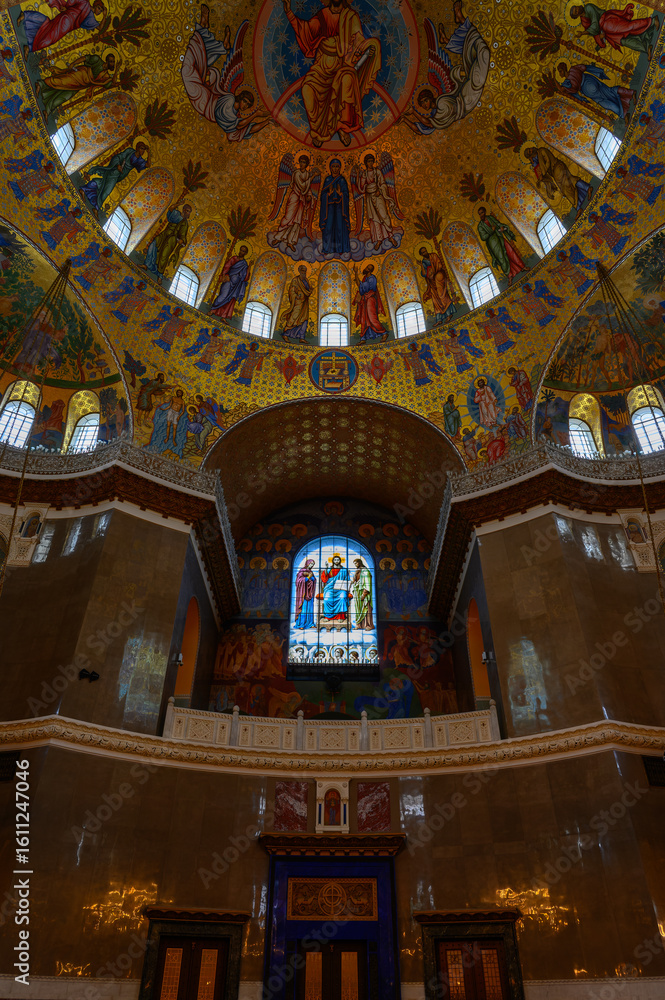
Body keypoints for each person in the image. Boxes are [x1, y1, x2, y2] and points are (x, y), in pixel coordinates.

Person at [282, 0, 381, 147]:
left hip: (343, 64)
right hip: (321, 66)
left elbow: (358, 39)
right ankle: (317, 131)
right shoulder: (322, 15)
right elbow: (306, 31)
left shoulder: (350, 16)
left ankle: (342, 127)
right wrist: (289, 13)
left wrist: (368, 47)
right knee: (307, 89)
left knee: (347, 80)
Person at [181, 5, 272, 142]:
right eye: (245, 102)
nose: (245, 106)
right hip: (205, 100)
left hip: (205, 105)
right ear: (240, 97)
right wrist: (257, 114)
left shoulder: (235, 114)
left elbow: (249, 128)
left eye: (247, 105)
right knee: (187, 71)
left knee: (197, 68)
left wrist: (267, 121)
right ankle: (204, 32)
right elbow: (240, 124)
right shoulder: (229, 101)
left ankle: (209, 36)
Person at [400, 4, 489, 134]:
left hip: (465, 96)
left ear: (431, 97)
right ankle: (457, 30)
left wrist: (412, 113)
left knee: (478, 56)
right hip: (467, 100)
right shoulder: (439, 110)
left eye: (425, 101)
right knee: (482, 55)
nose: (425, 105)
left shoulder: (441, 103)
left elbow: (427, 123)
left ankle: (457, 28)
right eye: (423, 103)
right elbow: (423, 127)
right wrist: (408, 116)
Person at [36, 51, 117, 118]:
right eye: (111, 61)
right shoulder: (97, 60)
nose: (112, 63)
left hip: (81, 85)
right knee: (61, 81)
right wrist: (73, 64)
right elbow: (85, 58)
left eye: (113, 62)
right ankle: (41, 84)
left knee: (65, 96)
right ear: (107, 60)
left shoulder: (106, 76)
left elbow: (111, 84)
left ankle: (47, 110)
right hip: (79, 74)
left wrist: (116, 71)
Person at [80, 142, 149, 217]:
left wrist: (149, 153)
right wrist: (118, 165)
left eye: (144, 150)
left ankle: (84, 189)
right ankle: (96, 208)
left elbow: (147, 165)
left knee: (102, 183)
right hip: (115, 171)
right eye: (142, 148)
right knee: (107, 190)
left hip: (121, 175)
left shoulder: (139, 160)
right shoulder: (130, 151)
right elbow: (118, 157)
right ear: (137, 148)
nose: (143, 151)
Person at [19, 0, 106, 57]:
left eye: (101, 11)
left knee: (48, 27)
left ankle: (26, 16)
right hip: (66, 22)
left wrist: (104, 16)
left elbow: (100, 28)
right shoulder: (86, 4)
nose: (99, 12)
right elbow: (72, 1)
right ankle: (30, 48)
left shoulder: (91, 17)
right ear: (96, 5)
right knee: (50, 38)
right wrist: (67, 7)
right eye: (100, 9)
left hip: (67, 23)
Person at [570, 4, 659, 58]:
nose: (577, 9)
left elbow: (595, 25)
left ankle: (652, 21)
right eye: (575, 11)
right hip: (607, 32)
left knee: (629, 27)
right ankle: (646, 48)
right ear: (576, 16)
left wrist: (582, 33)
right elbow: (593, 32)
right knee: (625, 41)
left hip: (607, 21)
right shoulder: (584, 22)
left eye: (576, 8)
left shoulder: (588, 7)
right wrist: (600, 38)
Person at [557, 61, 634, 121]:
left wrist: (554, 78)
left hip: (586, 88)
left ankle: (623, 114)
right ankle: (630, 93)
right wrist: (597, 71)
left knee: (605, 103)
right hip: (589, 79)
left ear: (564, 69)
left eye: (560, 71)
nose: (560, 74)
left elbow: (561, 89)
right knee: (609, 91)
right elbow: (584, 67)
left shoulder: (567, 82)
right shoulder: (573, 69)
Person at [354, 154, 399, 245]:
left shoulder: (377, 171)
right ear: (366, 163)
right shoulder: (365, 174)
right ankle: (379, 239)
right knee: (375, 219)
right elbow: (361, 187)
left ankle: (390, 236)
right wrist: (359, 175)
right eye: (368, 161)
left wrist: (380, 190)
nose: (370, 163)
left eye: (372, 161)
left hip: (378, 196)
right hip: (370, 197)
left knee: (383, 215)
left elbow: (383, 183)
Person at [477, 206, 526, 283]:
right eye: (479, 214)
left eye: (482, 213)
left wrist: (501, 226)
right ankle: (509, 275)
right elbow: (483, 237)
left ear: (485, 212)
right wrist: (491, 230)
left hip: (499, 237)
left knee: (510, 251)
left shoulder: (490, 218)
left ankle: (522, 267)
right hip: (493, 244)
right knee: (501, 258)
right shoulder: (480, 226)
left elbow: (497, 223)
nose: (481, 215)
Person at [145, 204, 192, 284]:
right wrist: (177, 204)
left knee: (164, 255)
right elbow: (170, 211)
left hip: (172, 239)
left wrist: (182, 240)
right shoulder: (176, 214)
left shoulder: (185, 223)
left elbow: (183, 235)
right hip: (165, 233)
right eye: (185, 209)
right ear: (183, 209)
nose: (186, 212)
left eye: (188, 211)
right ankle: (146, 264)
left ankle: (160, 275)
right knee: (153, 244)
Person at [319, 159, 350, 254]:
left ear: (340, 168)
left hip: (340, 207)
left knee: (340, 227)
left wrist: (341, 194)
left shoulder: (342, 180)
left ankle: (340, 249)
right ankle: (327, 249)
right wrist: (328, 195)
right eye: (333, 166)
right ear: (330, 168)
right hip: (329, 208)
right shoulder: (327, 179)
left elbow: (346, 194)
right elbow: (322, 195)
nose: (335, 169)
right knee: (328, 227)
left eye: (337, 166)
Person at [211, 245, 250, 318]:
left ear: (246, 253)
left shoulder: (244, 264)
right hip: (228, 281)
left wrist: (249, 267)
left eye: (243, 251)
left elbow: (245, 277)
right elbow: (227, 267)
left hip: (236, 285)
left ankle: (224, 316)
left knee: (230, 300)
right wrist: (225, 275)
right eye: (241, 250)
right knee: (223, 295)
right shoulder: (233, 259)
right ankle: (213, 310)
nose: (241, 252)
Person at [419, 246, 456, 323]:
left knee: (442, 295)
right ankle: (439, 319)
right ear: (421, 254)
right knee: (435, 299)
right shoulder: (423, 262)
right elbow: (424, 274)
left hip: (438, 276)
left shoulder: (434, 255)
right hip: (431, 281)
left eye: (425, 250)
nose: (425, 252)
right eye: (423, 252)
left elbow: (439, 264)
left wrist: (435, 272)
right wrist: (421, 266)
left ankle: (449, 314)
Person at [353, 263, 387, 342]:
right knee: (363, 319)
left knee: (372, 318)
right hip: (365, 300)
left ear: (370, 271)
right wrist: (356, 273)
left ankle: (384, 333)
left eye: (368, 268)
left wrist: (356, 274)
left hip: (370, 299)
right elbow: (360, 285)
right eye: (366, 267)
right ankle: (363, 338)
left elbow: (362, 286)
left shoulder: (372, 278)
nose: (366, 269)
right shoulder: (365, 278)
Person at [281, 265, 312, 342]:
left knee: (304, 319)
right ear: (299, 271)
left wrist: (310, 290)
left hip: (305, 302)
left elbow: (308, 291)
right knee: (294, 317)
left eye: (305, 271)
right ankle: (285, 334)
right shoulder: (295, 280)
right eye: (302, 271)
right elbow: (291, 290)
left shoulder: (306, 281)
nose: (303, 272)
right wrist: (296, 296)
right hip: (297, 302)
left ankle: (301, 337)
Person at [318, 554, 349, 621]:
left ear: (340, 561)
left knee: (342, 598)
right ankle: (328, 616)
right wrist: (326, 568)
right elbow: (324, 579)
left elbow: (347, 580)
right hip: (330, 588)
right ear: (333, 561)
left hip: (341, 589)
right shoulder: (329, 569)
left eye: (338, 560)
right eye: (335, 560)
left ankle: (340, 617)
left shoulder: (344, 570)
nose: (336, 561)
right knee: (327, 599)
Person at [351, 558, 373, 629]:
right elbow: (354, 580)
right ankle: (359, 625)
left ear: (360, 562)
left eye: (356, 563)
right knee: (358, 609)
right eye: (354, 563)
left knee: (365, 609)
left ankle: (368, 625)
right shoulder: (357, 571)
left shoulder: (365, 571)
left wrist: (364, 594)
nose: (355, 565)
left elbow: (367, 584)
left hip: (364, 593)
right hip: (357, 592)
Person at [294, 559, 316, 628]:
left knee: (310, 609)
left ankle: (310, 623)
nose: (311, 565)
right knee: (303, 609)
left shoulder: (311, 572)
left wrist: (312, 578)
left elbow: (314, 580)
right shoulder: (301, 571)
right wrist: (308, 577)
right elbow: (298, 581)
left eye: (313, 564)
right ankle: (301, 624)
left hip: (309, 593)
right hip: (302, 593)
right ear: (307, 563)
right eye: (311, 564)